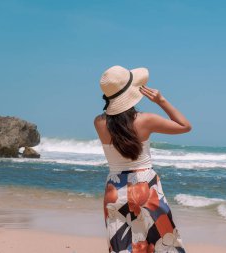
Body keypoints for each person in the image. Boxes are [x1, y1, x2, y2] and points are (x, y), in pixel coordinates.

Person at [94, 65, 191, 253]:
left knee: (122, 247)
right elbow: (185, 126)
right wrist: (161, 101)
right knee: (163, 244)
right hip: (145, 185)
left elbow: (117, 123)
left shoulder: (99, 122)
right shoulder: (145, 120)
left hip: (115, 189)